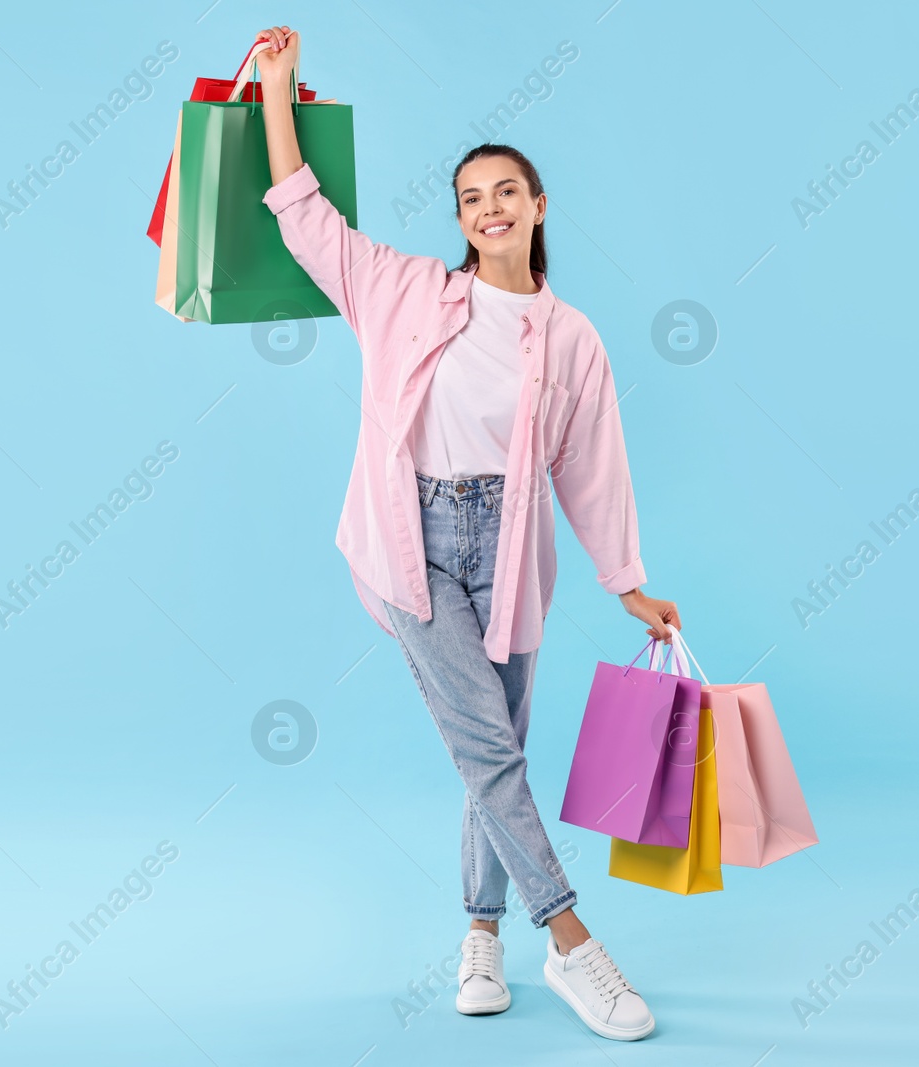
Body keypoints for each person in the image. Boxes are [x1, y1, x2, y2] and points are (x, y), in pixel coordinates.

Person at [253, 24, 680, 1042]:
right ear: (459, 218)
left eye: (505, 192)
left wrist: (626, 579)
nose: (487, 208)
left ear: (537, 208)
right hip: (411, 540)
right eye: (469, 197)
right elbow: (304, 217)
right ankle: (573, 943)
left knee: (497, 750)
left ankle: (480, 935)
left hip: (511, 548)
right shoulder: (401, 290)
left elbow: (591, 465)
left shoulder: (569, 336)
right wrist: (276, 89)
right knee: (487, 748)